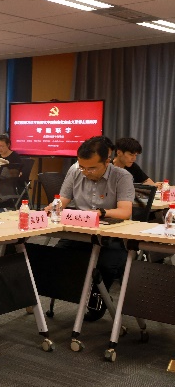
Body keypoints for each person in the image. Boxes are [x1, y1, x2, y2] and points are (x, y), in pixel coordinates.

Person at [41, 137, 134, 321]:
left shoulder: (122, 176)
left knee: (106, 266)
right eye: (82, 167)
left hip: (111, 237)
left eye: (91, 168)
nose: (85, 172)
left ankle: (97, 301)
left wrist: (101, 212)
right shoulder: (75, 170)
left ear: (107, 162)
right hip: (81, 233)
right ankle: (65, 294)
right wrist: (52, 207)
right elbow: (63, 199)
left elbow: (125, 211)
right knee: (55, 257)